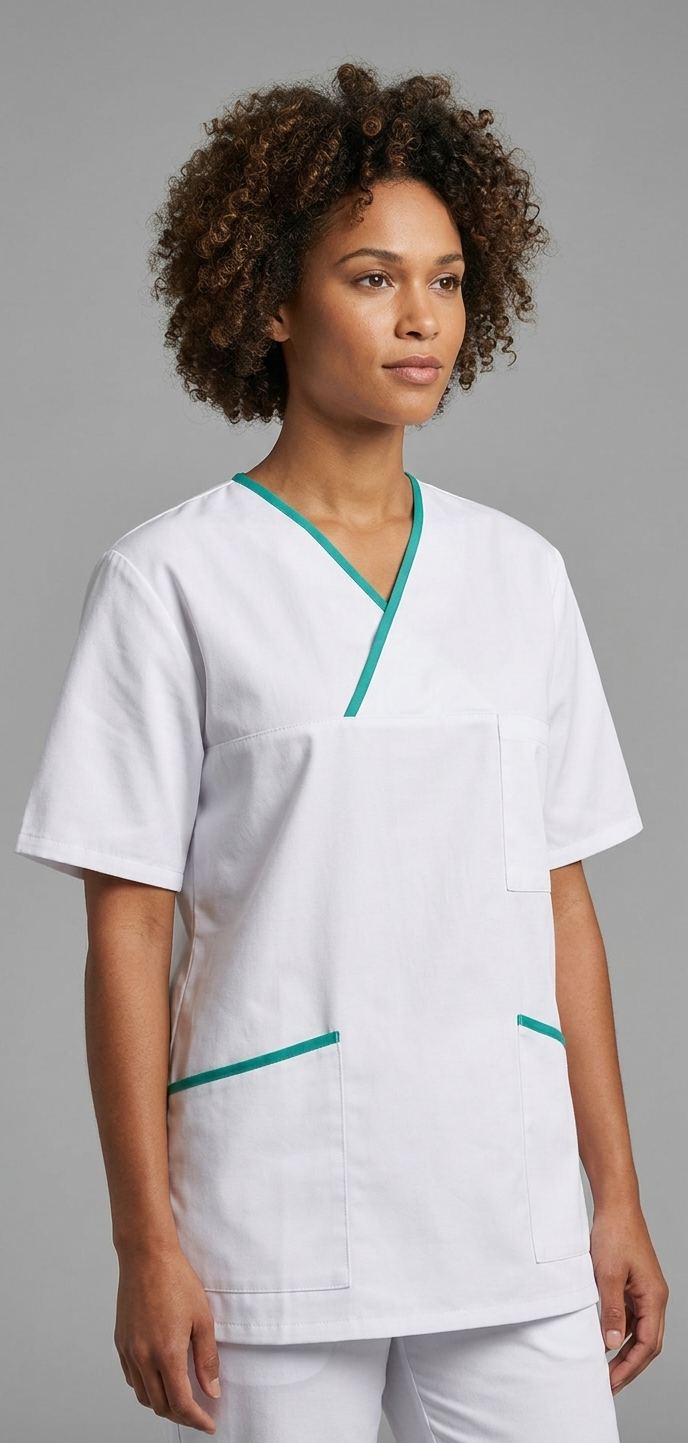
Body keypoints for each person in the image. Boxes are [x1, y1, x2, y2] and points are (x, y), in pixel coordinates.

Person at [15, 62, 668, 1442]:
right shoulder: (169, 582)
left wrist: (614, 1194)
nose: (421, 317)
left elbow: (562, 900)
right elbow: (128, 928)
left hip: (507, 1200)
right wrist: (145, 1241)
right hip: (277, 1201)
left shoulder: (522, 574)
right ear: (271, 300)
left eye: (446, 280)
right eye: (373, 278)